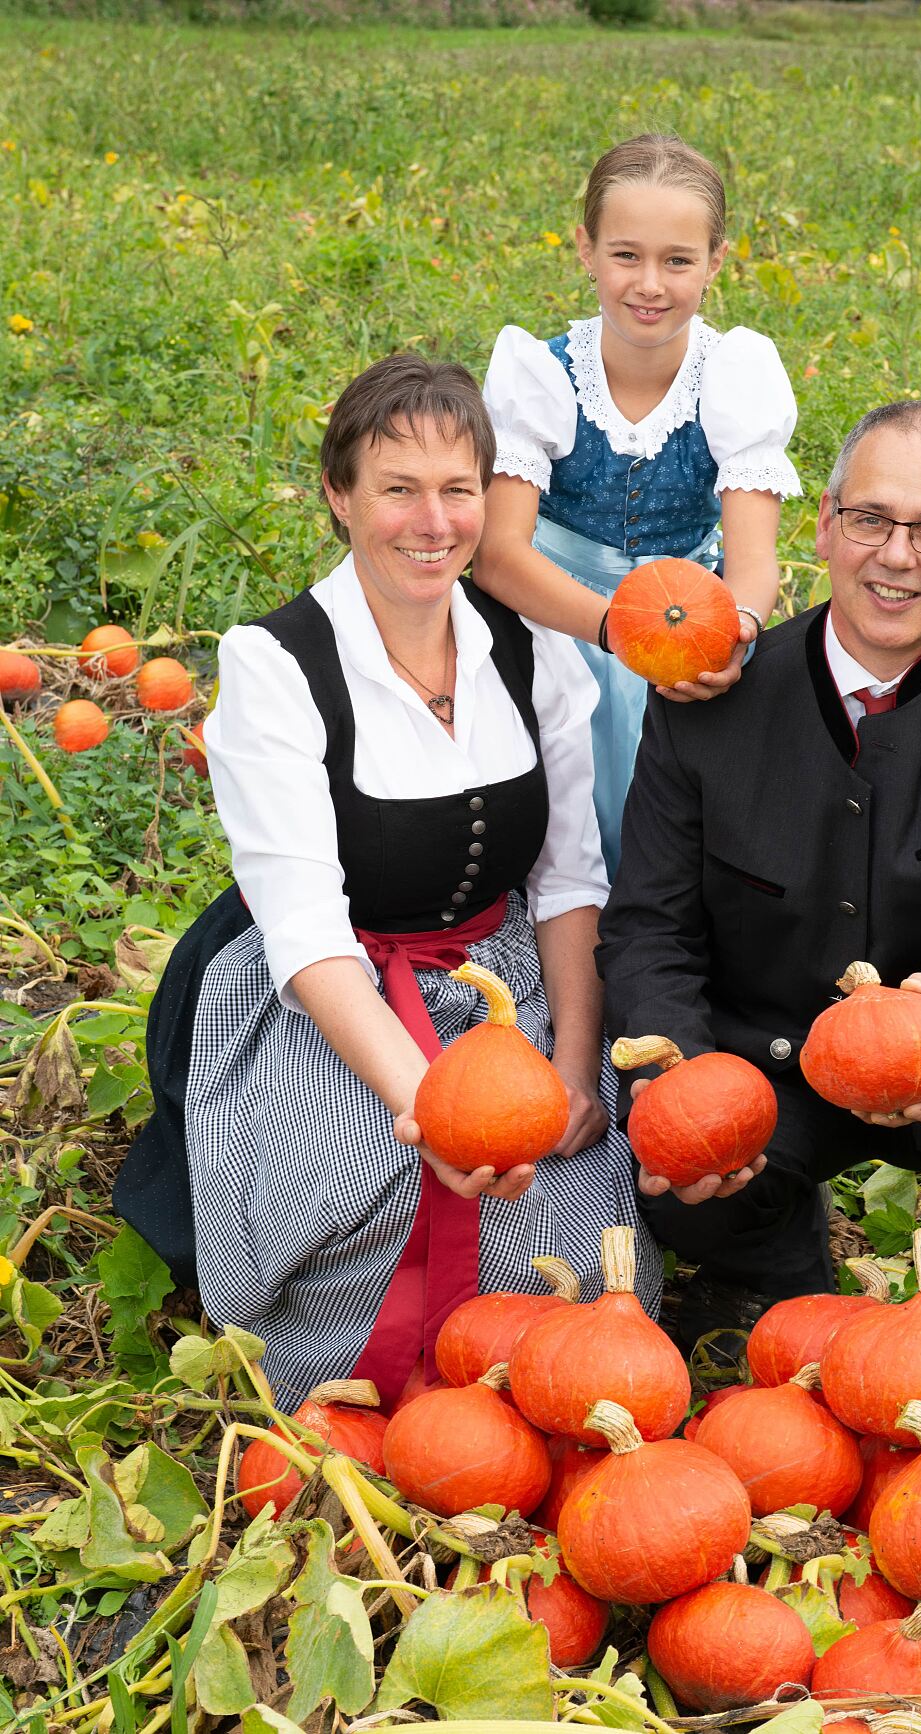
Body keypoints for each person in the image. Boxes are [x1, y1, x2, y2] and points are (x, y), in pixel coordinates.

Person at [114, 354, 662, 1411]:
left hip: (500, 977)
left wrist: (577, 1072)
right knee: (357, 1192)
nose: (432, 521)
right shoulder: (279, 667)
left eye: (459, 490)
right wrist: (436, 1116)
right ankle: (364, 1392)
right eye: (397, 488)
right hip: (328, 993)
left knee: (565, 1219)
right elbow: (307, 934)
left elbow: (565, 883)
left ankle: (528, 1393)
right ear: (339, 495)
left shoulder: (530, 654)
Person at [597, 399, 921, 1390]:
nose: (895, 556)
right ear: (822, 525)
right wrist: (677, 1073)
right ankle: (792, 1298)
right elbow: (650, 923)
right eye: (869, 519)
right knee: (681, 1178)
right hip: (774, 1046)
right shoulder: (709, 705)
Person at [473, 132, 801, 878]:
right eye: (625, 255)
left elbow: (751, 561)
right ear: (584, 250)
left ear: (716, 262)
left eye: (677, 261)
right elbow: (498, 554)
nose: (649, 283)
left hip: (688, 632)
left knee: (679, 836)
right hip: (549, 618)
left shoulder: (735, 373)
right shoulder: (543, 372)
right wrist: (619, 633)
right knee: (546, 836)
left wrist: (736, 631)